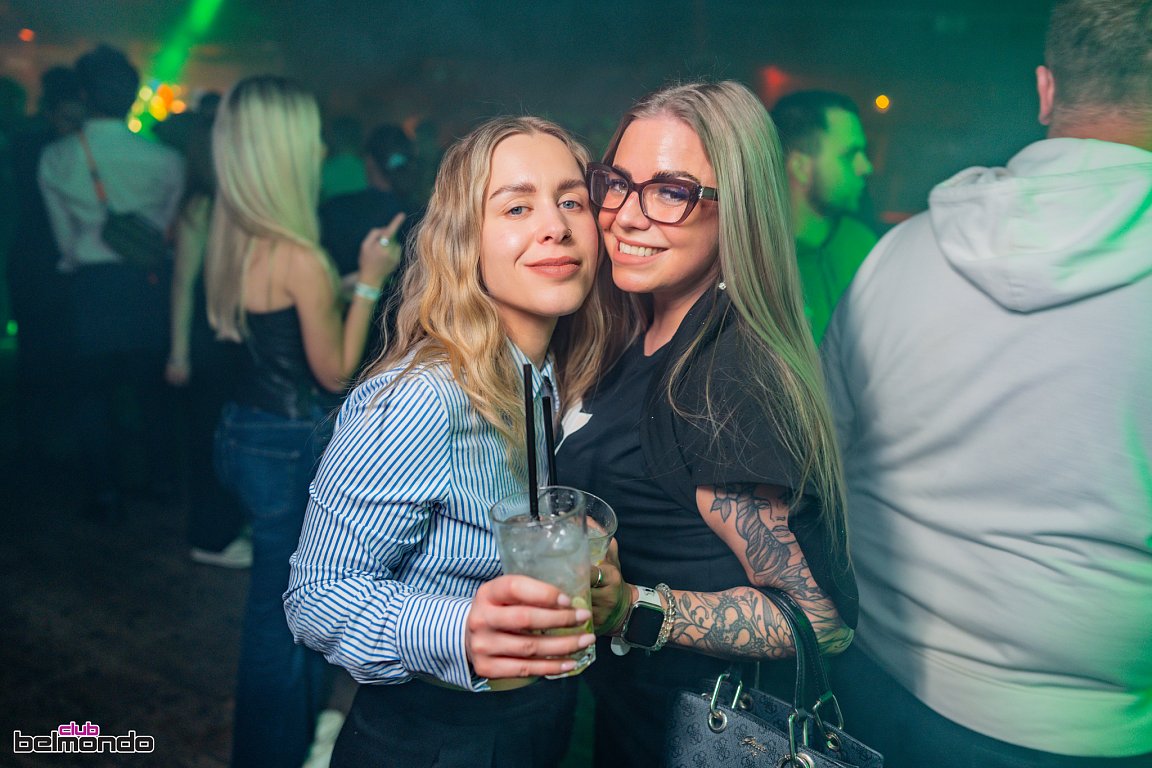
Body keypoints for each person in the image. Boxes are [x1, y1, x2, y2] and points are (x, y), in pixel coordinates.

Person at [820, 1, 1152, 765]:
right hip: (1085, 728)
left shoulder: (898, 254)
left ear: (1045, 90)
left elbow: (820, 460)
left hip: (872, 690)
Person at [284, 115, 606, 768]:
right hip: (433, 738)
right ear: (465, 242)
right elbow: (316, 598)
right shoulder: (424, 397)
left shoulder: (546, 371)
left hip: (536, 719)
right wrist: (459, 629)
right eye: (517, 206)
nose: (556, 225)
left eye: (572, 201)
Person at [557, 81, 858, 767]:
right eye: (617, 184)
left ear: (738, 212)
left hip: (691, 739)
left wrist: (634, 608)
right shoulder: (645, 324)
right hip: (624, 720)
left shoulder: (727, 376)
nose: (626, 217)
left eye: (672, 192)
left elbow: (820, 620)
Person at [203, 75, 404, 768]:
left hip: (242, 431)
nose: (322, 148)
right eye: (311, 136)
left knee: (272, 604)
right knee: (285, 617)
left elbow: (274, 322)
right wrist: (371, 278)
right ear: (285, 151)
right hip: (289, 445)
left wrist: (334, 292)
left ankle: (280, 742)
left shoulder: (231, 236)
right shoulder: (300, 257)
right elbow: (336, 372)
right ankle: (272, 754)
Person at [38, 45, 185, 519]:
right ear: (132, 95)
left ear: (84, 94)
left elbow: (64, 242)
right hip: (146, 284)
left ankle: (105, 491)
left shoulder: (57, 156)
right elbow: (165, 233)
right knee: (152, 393)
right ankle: (163, 480)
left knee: (91, 396)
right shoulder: (166, 159)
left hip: (89, 288)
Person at [771, 90, 876, 344]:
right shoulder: (757, 259)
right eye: (850, 154)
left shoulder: (862, 244)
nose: (866, 166)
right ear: (800, 167)